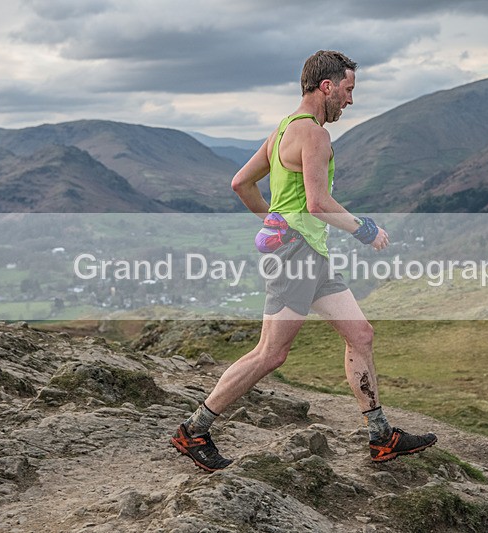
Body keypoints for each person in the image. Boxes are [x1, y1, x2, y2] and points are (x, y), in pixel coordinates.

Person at [171, 50, 436, 472]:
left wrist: (272, 218)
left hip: (309, 254)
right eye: (348, 91)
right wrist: (364, 229)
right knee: (270, 354)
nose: (350, 101)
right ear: (326, 86)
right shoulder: (314, 134)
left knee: (361, 335)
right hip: (296, 256)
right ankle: (194, 430)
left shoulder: (282, 130)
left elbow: (241, 183)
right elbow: (317, 202)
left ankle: (381, 436)